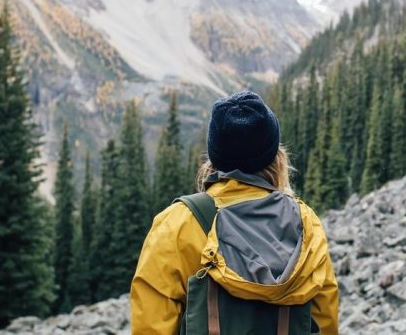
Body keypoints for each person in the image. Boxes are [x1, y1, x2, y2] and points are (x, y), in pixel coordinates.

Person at [130, 91, 339, 334]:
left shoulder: (176, 224)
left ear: (213, 158)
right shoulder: (305, 224)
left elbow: (151, 325)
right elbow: (325, 321)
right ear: (276, 157)